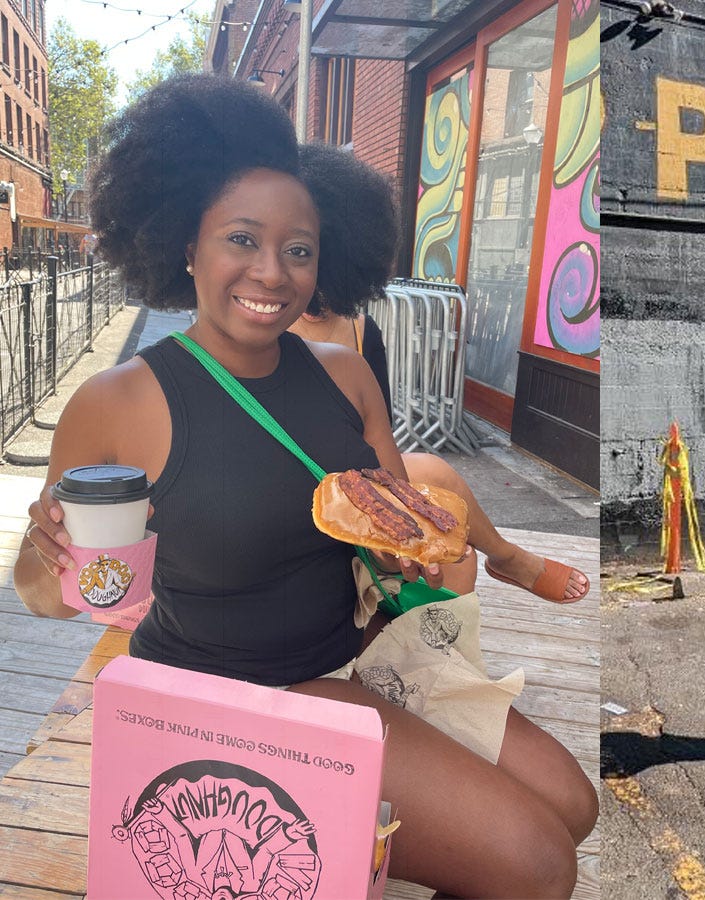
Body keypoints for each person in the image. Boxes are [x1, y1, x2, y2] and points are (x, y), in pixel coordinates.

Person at [14, 75, 596, 898]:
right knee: (539, 866)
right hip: (222, 702)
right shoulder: (120, 401)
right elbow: (49, 596)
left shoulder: (348, 375)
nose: (271, 272)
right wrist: (46, 557)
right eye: (241, 239)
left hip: (362, 658)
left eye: (298, 248)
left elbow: (399, 546)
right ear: (188, 244)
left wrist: (422, 554)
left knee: (573, 805)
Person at [290, 142, 589, 604]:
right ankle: (506, 558)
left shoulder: (360, 330)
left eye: (325, 265)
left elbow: (377, 441)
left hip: (348, 482)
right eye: (297, 254)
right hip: (284, 496)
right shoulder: (252, 330)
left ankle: (496, 562)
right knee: (435, 484)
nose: (315, 290)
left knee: (451, 538)